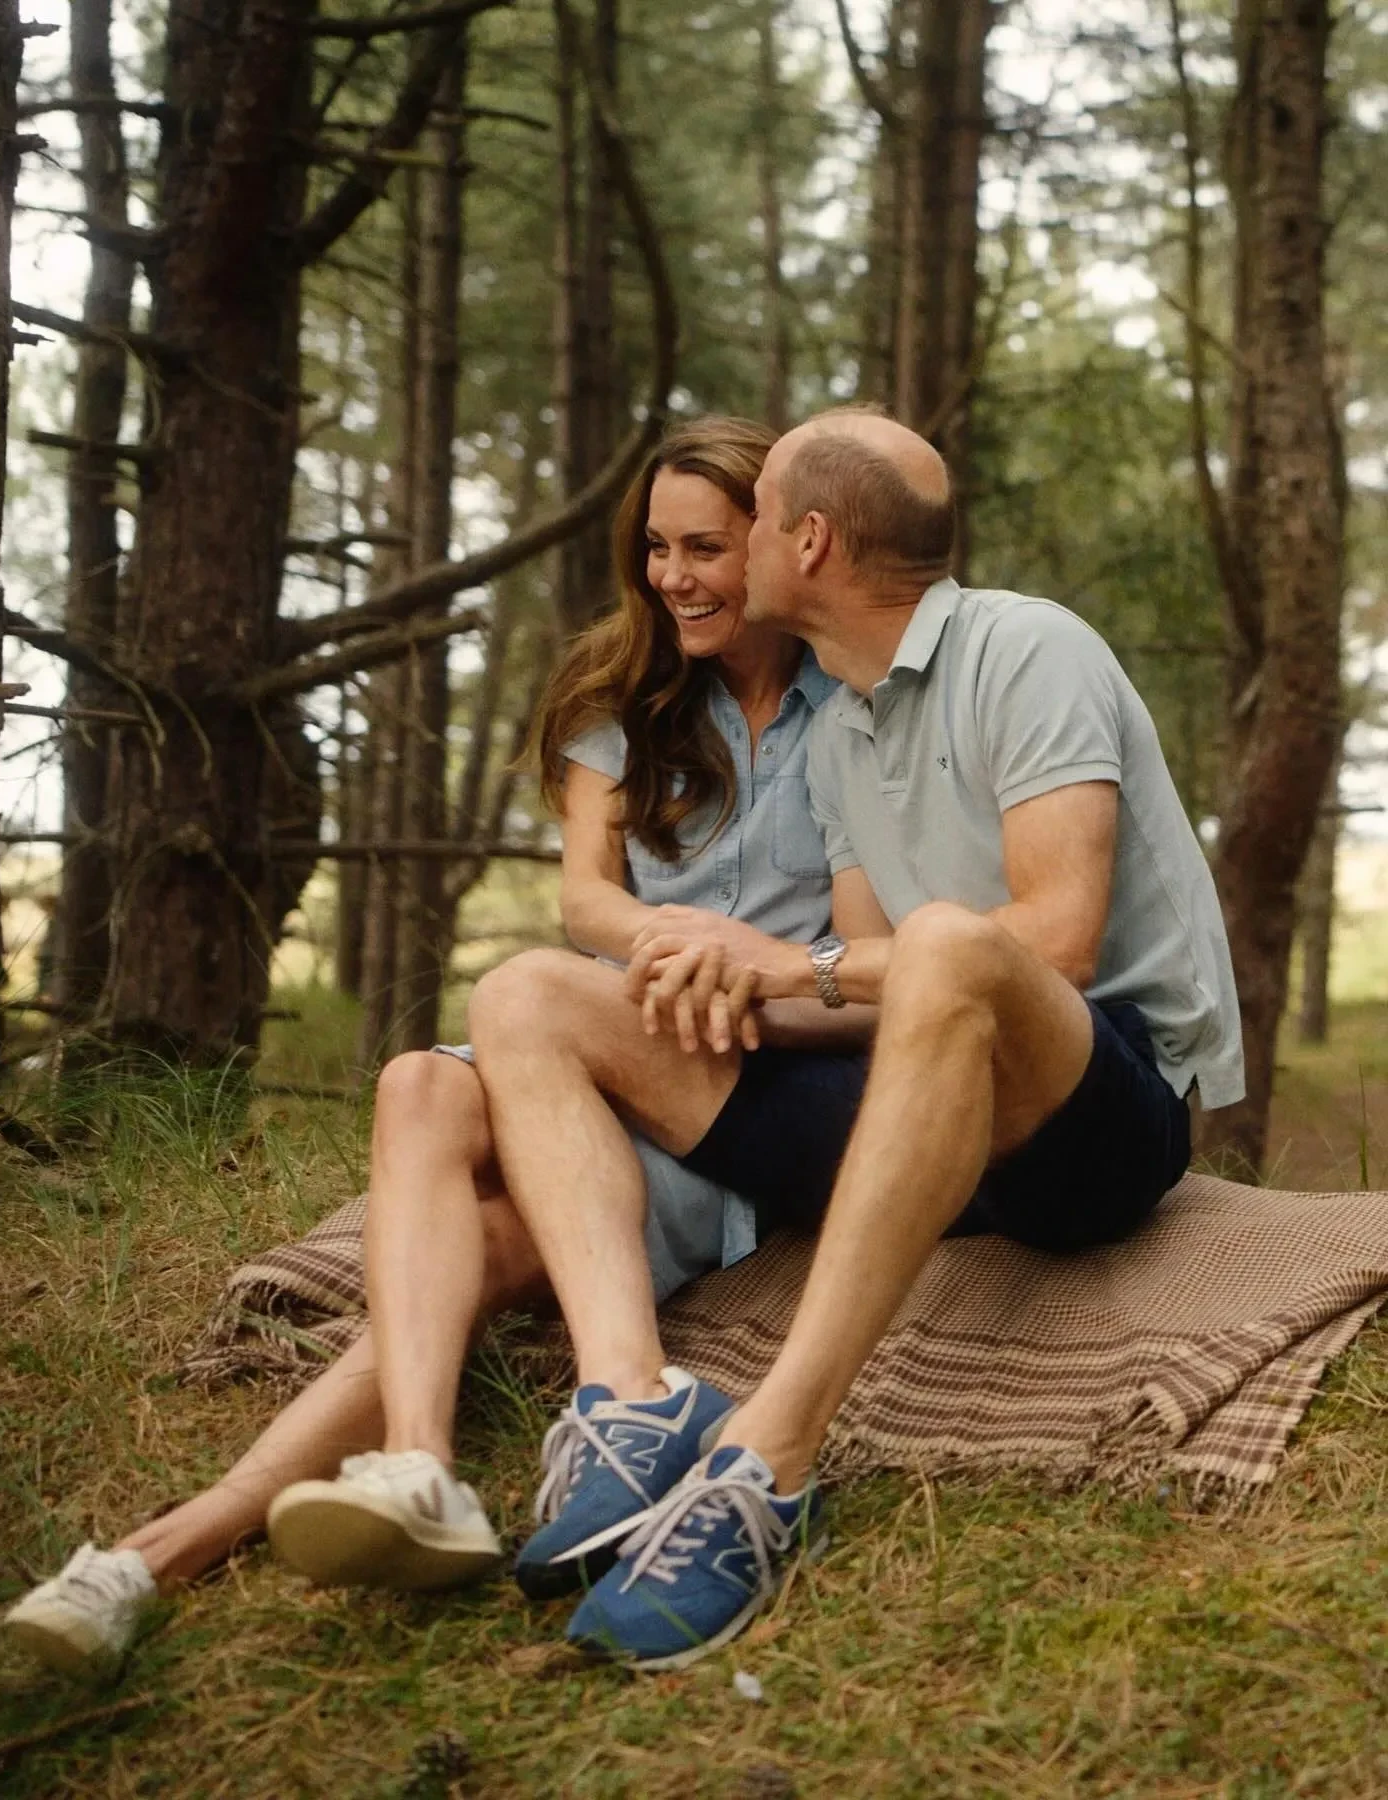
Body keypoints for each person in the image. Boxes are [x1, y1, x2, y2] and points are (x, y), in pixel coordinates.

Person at [3, 415, 866, 1677]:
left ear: (778, 547)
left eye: (705, 548)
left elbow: (860, 949)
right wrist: (679, 944)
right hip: (582, 1038)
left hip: (722, 1086)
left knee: (480, 1261)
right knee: (416, 1080)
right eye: (657, 548)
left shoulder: (854, 713)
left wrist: (745, 976)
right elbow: (587, 902)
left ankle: (167, 1549)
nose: (674, 576)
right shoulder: (626, 703)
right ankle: (419, 1465)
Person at [466, 406, 1245, 1669]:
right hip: (917, 1106)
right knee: (529, 994)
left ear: (810, 542)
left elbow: (1054, 939)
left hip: (1088, 1112)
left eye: (756, 519)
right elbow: (858, 991)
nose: (724, 550)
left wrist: (792, 964)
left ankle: (768, 1463)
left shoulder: (1028, 649)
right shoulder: (842, 729)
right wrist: (717, 988)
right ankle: (633, 1401)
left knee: (947, 944)